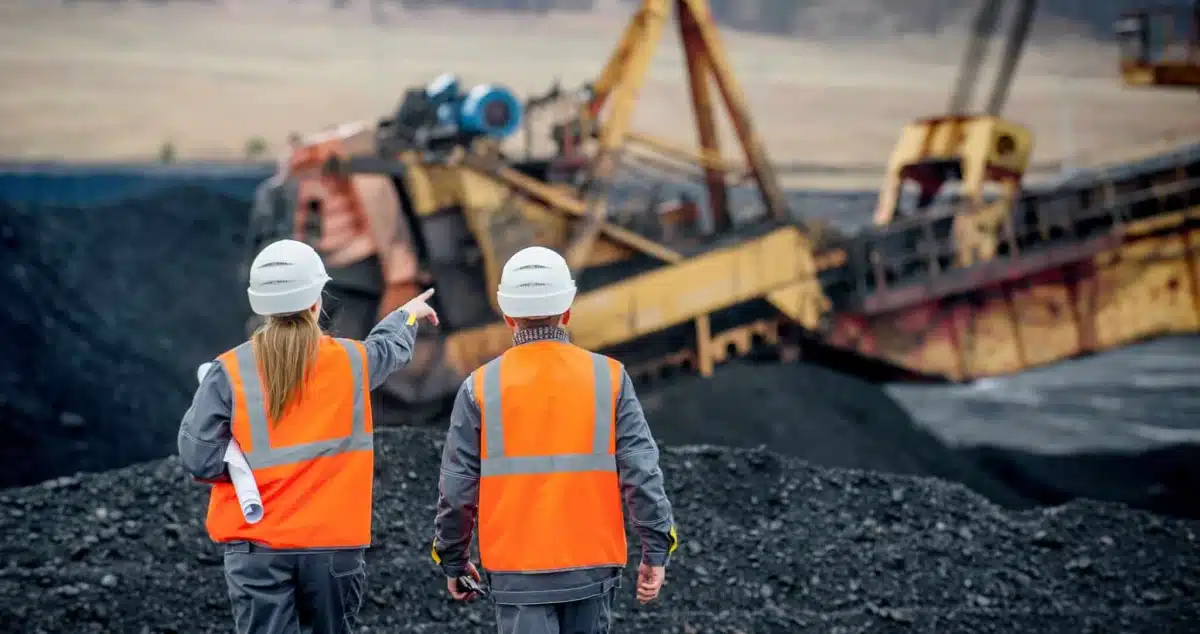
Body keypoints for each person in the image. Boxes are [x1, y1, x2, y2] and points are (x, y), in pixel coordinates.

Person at [177, 239, 439, 634]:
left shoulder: (228, 372)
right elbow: (389, 348)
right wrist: (407, 314)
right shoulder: (352, 362)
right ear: (317, 302)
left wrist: (240, 466)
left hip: (257, 548)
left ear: (260, 305)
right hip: (332, 548)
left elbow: (199, 458)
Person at [431, 245, 679, 634]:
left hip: (517, 573)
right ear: (567, 311)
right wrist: (656, 549)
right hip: (592, 568)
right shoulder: (609, 378)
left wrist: (454, 561)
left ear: (507, 315)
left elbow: (457, 489)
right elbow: (641, 472)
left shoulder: (480, 387)